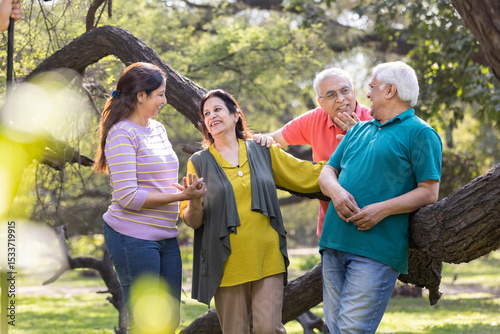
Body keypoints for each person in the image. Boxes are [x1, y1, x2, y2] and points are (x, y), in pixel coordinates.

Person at [179, 89, 325, 334]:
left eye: (217, 109)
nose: (211, 116)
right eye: (206, 113)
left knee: (269, 329)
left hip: (268, 256)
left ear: (235, 115)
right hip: (227, 262)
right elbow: (193, 221)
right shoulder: (199, 161)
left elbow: (307, 175)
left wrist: (348, 160)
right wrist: (193, 200)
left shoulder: (261, 149)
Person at [318, 61, 442, 333]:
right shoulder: (359, 130)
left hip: (375, 252)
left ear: (390, 90)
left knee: (351, 330)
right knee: (334, 328)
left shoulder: (421, 133)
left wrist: (382, 210)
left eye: (372, 87)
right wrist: (336, 192)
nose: (367, 95)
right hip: (334, 243)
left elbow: (429, 192)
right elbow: (327, 172)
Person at [93, 62, 207, 332]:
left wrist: (189, 192)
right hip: (132, 236)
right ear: (141, 96)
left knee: (169, 319)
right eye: (160, 94)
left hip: (166, 234)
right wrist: (180, 197)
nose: (165, 101)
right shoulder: (122, 133)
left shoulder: (157, 129)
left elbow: (162, 181)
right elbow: (128, 197)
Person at [255, 67, 372, 237]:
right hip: (330, 230)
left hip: (369, 224)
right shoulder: (315, 119)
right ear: (321, 102)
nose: (340, 99)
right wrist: (263, 139)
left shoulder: (374, 120)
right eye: (331, 95)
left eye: (345, 91)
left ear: (353, 92)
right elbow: (275, 139)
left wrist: (360, 138)